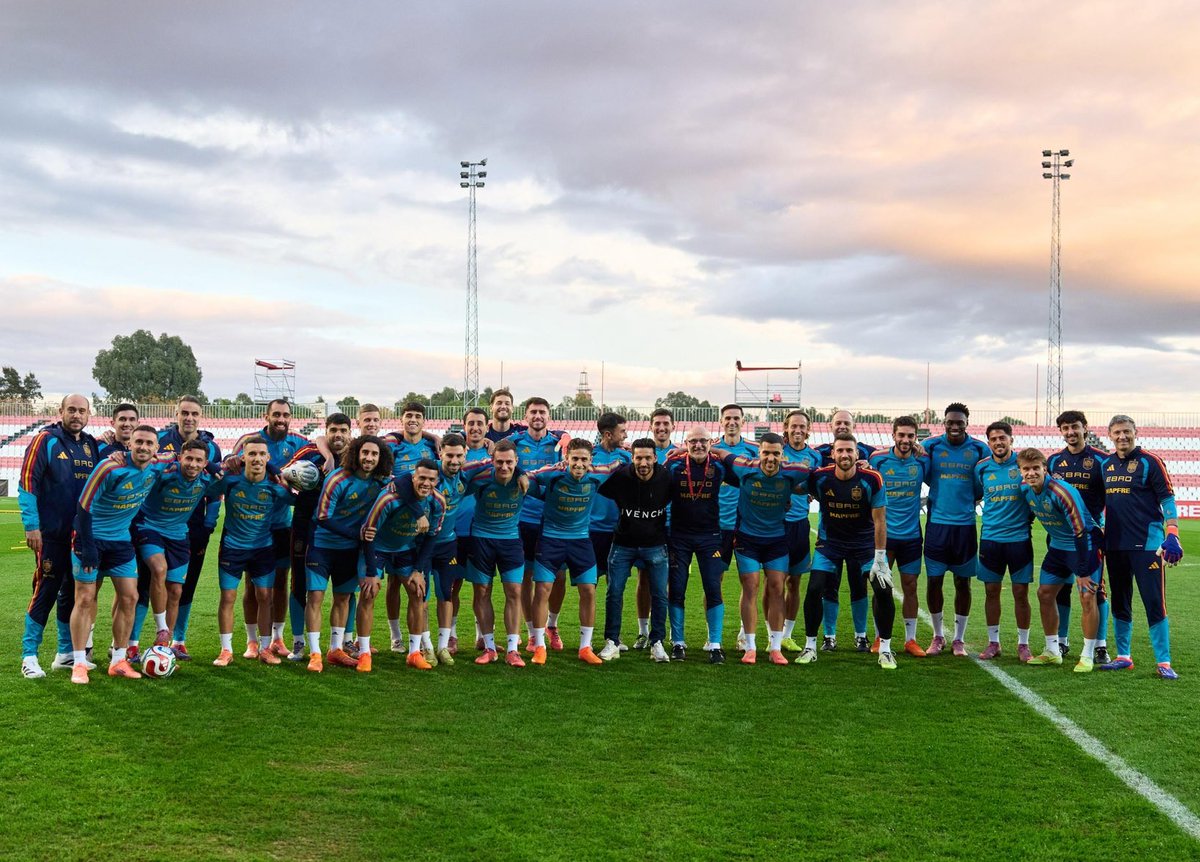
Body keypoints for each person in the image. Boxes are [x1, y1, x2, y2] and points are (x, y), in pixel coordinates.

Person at [68, 425, 164, 683]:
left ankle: (118, 661)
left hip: (121, 541)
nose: (143, 447)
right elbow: (83, 507)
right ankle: (78, 663)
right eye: (139, 442)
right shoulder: (109, 467)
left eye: (149, 443)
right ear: (129, 444)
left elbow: (186, 461)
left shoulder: (158, 467)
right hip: (91, 539)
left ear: (156, 449)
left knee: (130, 597)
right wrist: (87, 547)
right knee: (85, 598)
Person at [710, 432, 811, 665]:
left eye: (776, 454)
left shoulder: (795, 471)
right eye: (766, 452)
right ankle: (750, 646)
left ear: (782, 455)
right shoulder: (744, 466)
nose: (770, 458)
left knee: (777, 587)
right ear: (759, 453)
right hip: (747, 539)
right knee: (751, 587)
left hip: (777, 539)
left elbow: (817, 478)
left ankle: (776, 647)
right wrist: (689, 449)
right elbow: (722, 453)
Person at [797, 433, 896, 670]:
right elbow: (795, 486)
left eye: (849, 451)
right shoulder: (820, 478)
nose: (844, 455)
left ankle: (885, 649)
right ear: (832, 454)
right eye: (840, 450)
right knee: (814, 589)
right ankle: (810, 646)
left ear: (857, 454)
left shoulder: (872, 479)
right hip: (830, 545)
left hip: (863, 546)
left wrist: (881, 559)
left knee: (883, 590)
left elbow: (880, 521)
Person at [18, 394, 98, 679]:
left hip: (80, 537)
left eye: (82, 411)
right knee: (46, 589)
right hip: (50, 535)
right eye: (71, 410)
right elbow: (28, 483)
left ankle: (65, 654)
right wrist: (32, 526)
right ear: (61, 411)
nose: (76, 415)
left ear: (89, 415)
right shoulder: (45, 440)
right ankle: (29, 656)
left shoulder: (90, 445)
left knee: (70, 593)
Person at [1099, 416, 1182, 679]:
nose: (1122, 436)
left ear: (1135, 433)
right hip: (1115, 545)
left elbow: (1167, 499)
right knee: (1120, 600)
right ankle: (1124, 656)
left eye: (1126, 432)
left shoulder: (1151, 461)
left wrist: (1173, 533)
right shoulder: (1106, 465)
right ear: (1110, 435)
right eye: (1117, 432)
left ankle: (1164, 662)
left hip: (1148, 546)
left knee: (1154, 601)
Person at [303, 435, 393, 672]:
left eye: (374, 454)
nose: (369, 458)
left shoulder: (380, 482)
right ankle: (315, 653)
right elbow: (323, 518)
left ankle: (335, 650)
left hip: (349, 551)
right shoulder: (338, 478)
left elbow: (404, 484)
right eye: (365, 453)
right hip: (322, 546)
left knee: (342, 598)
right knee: (315, 597)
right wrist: (357, 535)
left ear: (380, 458)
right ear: (356, 453)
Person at [206, 438, 297, 668]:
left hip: (263, 549)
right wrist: (224, 465)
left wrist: (285, 479)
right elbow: (207, 490)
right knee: (228, 597)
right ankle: (226, 650)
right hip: (232, 548)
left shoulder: (274, 485)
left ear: (268, 458)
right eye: (252, 454)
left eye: (262, 454)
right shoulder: (231, 481)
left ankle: (265, 649)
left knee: (265, 597)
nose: (257, 459)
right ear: (243, 457)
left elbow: (296, 499)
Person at [525, 439, 617, 664]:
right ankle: (539, 645)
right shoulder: (553, 473)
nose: (579, 463)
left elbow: (618, 464)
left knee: (588, 590)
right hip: (550, 539)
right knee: (543, 589)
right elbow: (528, 475)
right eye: (574, 458)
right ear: (566, 458)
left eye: (584, 459)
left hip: (581, 541)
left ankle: (585, 647)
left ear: (590, 461)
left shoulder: (599, 474)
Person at [232, 399, 309, 660]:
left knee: (280, 582)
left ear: (291, 417)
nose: (281, 419)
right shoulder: (250, 440)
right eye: (276, 414)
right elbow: (233, 462)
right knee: (251, 585)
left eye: (285, 415)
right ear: (267, 415)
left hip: (282, 524)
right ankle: (252, 640)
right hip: (252, 525)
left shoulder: (298, 443)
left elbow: (318, 452)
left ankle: (277, 638)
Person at [132, 439, 217, 659]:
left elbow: (223, 486)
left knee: (177, 590)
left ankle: (164, 648)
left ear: (206, 462)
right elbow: (145, 459)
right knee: (158, 570)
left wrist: (209, 524)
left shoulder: (208, 478)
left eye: (199, 460)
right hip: (149, 527)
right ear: (180, 457)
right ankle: (161, 630)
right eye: (188, 458)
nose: (193, 464)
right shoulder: (165, 471)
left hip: (179, 535)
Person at [1016, 449, 1099, 670]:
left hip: (1084, 546)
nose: (1031, 473)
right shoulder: (1024, 489)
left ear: (1045, 468)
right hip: (1058, 548)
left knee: (1087, 596)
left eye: (1036, 468)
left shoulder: (1062, 492)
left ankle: (1088, 655)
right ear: (1020, 471)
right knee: (1044, 594)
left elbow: (1081, 532)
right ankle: (1052, 651)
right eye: (1026, 469)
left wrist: (1082, 573)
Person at [280, 413, 354, 660]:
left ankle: (345, 641)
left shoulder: (356, 457)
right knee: (299, 583)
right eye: (333, 430)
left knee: (345, 587)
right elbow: (282, 476)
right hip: (304, 527)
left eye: (343, 430)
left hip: (341, 531)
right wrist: (295, 492)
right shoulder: (309, 452)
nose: (338, 435)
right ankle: (299, 642)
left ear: (349, 433)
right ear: (326, 430)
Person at [156, 395, 222, 660]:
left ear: (200, 416)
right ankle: (133, 641)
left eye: (194, 413)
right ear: (176, 413)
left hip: (193, 527)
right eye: (184, 412)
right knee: (146, 582)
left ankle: (178, 639)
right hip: (156, 524)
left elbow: (216, 488)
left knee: (186, 583)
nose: (189, 418)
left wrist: (208, 524)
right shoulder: (160, 440)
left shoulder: (212, 448)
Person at [362, 460, 445, 671]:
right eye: (422, 478)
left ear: (437, 481)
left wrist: (418, 570)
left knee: (418, 592)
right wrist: (372, 572)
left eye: (431, 479)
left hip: (404, 549)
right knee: (369, 592)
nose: (426, 483)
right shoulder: (389, 498)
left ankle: (414, 653)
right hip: (378, 547)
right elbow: (368, 535)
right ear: (413, 478)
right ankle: (364, 653)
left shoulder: (438, 502)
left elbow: (432, 538)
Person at [922, 403, 989, 656]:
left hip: (965, 527)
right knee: (934, 581)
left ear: (966, 423)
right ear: (944, 422)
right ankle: (938, 636)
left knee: (963, 582)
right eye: (950, 421)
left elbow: (982, 484)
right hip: (937, 525)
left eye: (959, 422)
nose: (954, 426)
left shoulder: (979, 449)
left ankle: (958, 639)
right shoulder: (932, 446)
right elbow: (925, 474)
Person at [597, 439, 673, 662]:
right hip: (623, 544)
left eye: (648, 457)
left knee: (659, 594)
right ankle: (612, 641)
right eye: (638, 457)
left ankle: (657, 642)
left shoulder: (666, 477)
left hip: (656, 545)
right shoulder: (620, 476)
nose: (643, 462)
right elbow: (599, 484)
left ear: (655, 458)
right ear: (632, 458)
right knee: (614, 592)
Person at [1048, 410, 1112, 664]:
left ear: (1085, 428)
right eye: (1065, 428)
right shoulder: (1054, 462)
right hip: (1061, 538)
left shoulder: (1102, 461)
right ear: (1061, 432)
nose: (1070, 432)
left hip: (1091, 537)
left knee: (1095, 591)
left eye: (1075, 426)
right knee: (1062, 589)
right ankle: (1062, 642)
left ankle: (1100, 646)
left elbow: (1114, 497)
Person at [664, 428, 732, 663]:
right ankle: (678, 642)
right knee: (677, 589)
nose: (698, 445)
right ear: (686, 443)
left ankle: (715, 644)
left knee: (713, 588)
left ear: (710, 442)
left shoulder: (720, 466)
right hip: (678, 537)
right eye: (693, 441)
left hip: (710, 536)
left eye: (703, 441)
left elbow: (749, 475)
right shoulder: (673, 466)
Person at [462, 439, 530, 667]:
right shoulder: (480, 479)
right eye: (499, 462)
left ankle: (513, 650)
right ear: (492, 461)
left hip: (510, 541)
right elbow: (456, 478)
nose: (504, 467)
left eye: (509, 462)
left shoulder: (526, 480)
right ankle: (489, 647)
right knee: (481, 591)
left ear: (516, 462)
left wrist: (522, 473)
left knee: (514, 592)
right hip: (481, 539)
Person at [868, 417, 930, 657]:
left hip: (912, 535)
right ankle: (878, 637)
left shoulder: (923, 460)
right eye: (901, 435)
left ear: (916, 438)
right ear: (893, 435)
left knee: (910, 587)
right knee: (881, 588)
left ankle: (910, 640)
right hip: (884, 535)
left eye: (910, 436)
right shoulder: (878, 459)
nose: (905, 440)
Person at [381, 401, 439, 654]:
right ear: (401, 419)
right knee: (393, 583)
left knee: (418, 582)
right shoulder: (393, 446)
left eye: (417, 416)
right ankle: (396, 637)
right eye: (408, 415)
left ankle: (423, 641)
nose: (413, 419)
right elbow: (396, 482)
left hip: (421, 530)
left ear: (424, 421)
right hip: (393, 526)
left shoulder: (432, 447)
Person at [973, 422, 1034, 661]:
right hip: (990, 539)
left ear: (1011, 440)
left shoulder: (1023, 464)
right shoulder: (981, 468)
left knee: (1020, 592)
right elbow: (977, 493)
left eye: (1002, 438)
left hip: (1019, 539)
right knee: (991, 591)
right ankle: (993, 642)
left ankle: (1023, 644)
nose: (998, 442)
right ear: (988, 443)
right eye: (994, 439)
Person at [779, 411, 823, 653]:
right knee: (774, 583)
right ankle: (771, 633)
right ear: (786, 428)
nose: (797, 430)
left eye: (802, 427)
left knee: (794, 583)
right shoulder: (776, 450)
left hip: (800, 525)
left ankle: (787, 635)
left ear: (808, 430)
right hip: (776, 525)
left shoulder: (814, 456)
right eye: (793, 426)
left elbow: (817, 487)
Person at [587, 412, 631, 648]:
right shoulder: (590, 456)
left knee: (615, 587)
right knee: (589, 586)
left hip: (619, 530)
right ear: (607, 434)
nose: (625, 435)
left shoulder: (627, 457)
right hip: (592, 530)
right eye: (622, 431)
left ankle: (612, 637)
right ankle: (588, 639)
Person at [428, 433, 470, 666]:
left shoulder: (467, 474)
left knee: (446, 593)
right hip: (423, 544)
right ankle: (422, 646)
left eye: (458, 456)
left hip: (448, 544)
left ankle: (442, 646)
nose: (454, 460)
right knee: (420, 596)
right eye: (449, 455)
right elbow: (403, 482)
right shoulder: (429, 472)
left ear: (465, 456)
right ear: (440, 453)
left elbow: (494, 465)